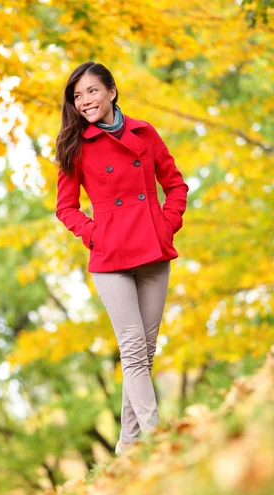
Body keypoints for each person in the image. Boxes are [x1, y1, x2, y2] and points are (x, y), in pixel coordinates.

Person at [55, 61, 189, 456]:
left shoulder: (144, 132)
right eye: (77, 97)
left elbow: (175, 184)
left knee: (145, 352)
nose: (84, 101)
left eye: (91, 91)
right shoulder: (74, 145)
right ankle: (157, 437)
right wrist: (97, 234)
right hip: (111, 256)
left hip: (152, 248)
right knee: (132, 349)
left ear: (111, 91)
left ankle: (128, 445)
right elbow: (66, 208)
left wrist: (165, 225)